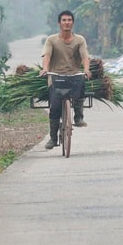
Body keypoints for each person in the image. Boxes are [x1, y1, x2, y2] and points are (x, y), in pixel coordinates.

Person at [39, 10, 92, 150]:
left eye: (69, 20)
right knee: (55, 107)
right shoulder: (51, 40)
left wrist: (86, 69)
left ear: (72, 23)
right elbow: (47, 56)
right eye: (64, 20)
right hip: (56, 77)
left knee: (81, 86)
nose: (67, 22)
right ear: (59, 23)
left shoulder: (79, 40)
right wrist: (45, 69)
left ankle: (78, 117)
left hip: (74, 76)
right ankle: (53, 137)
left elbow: (85, 56)